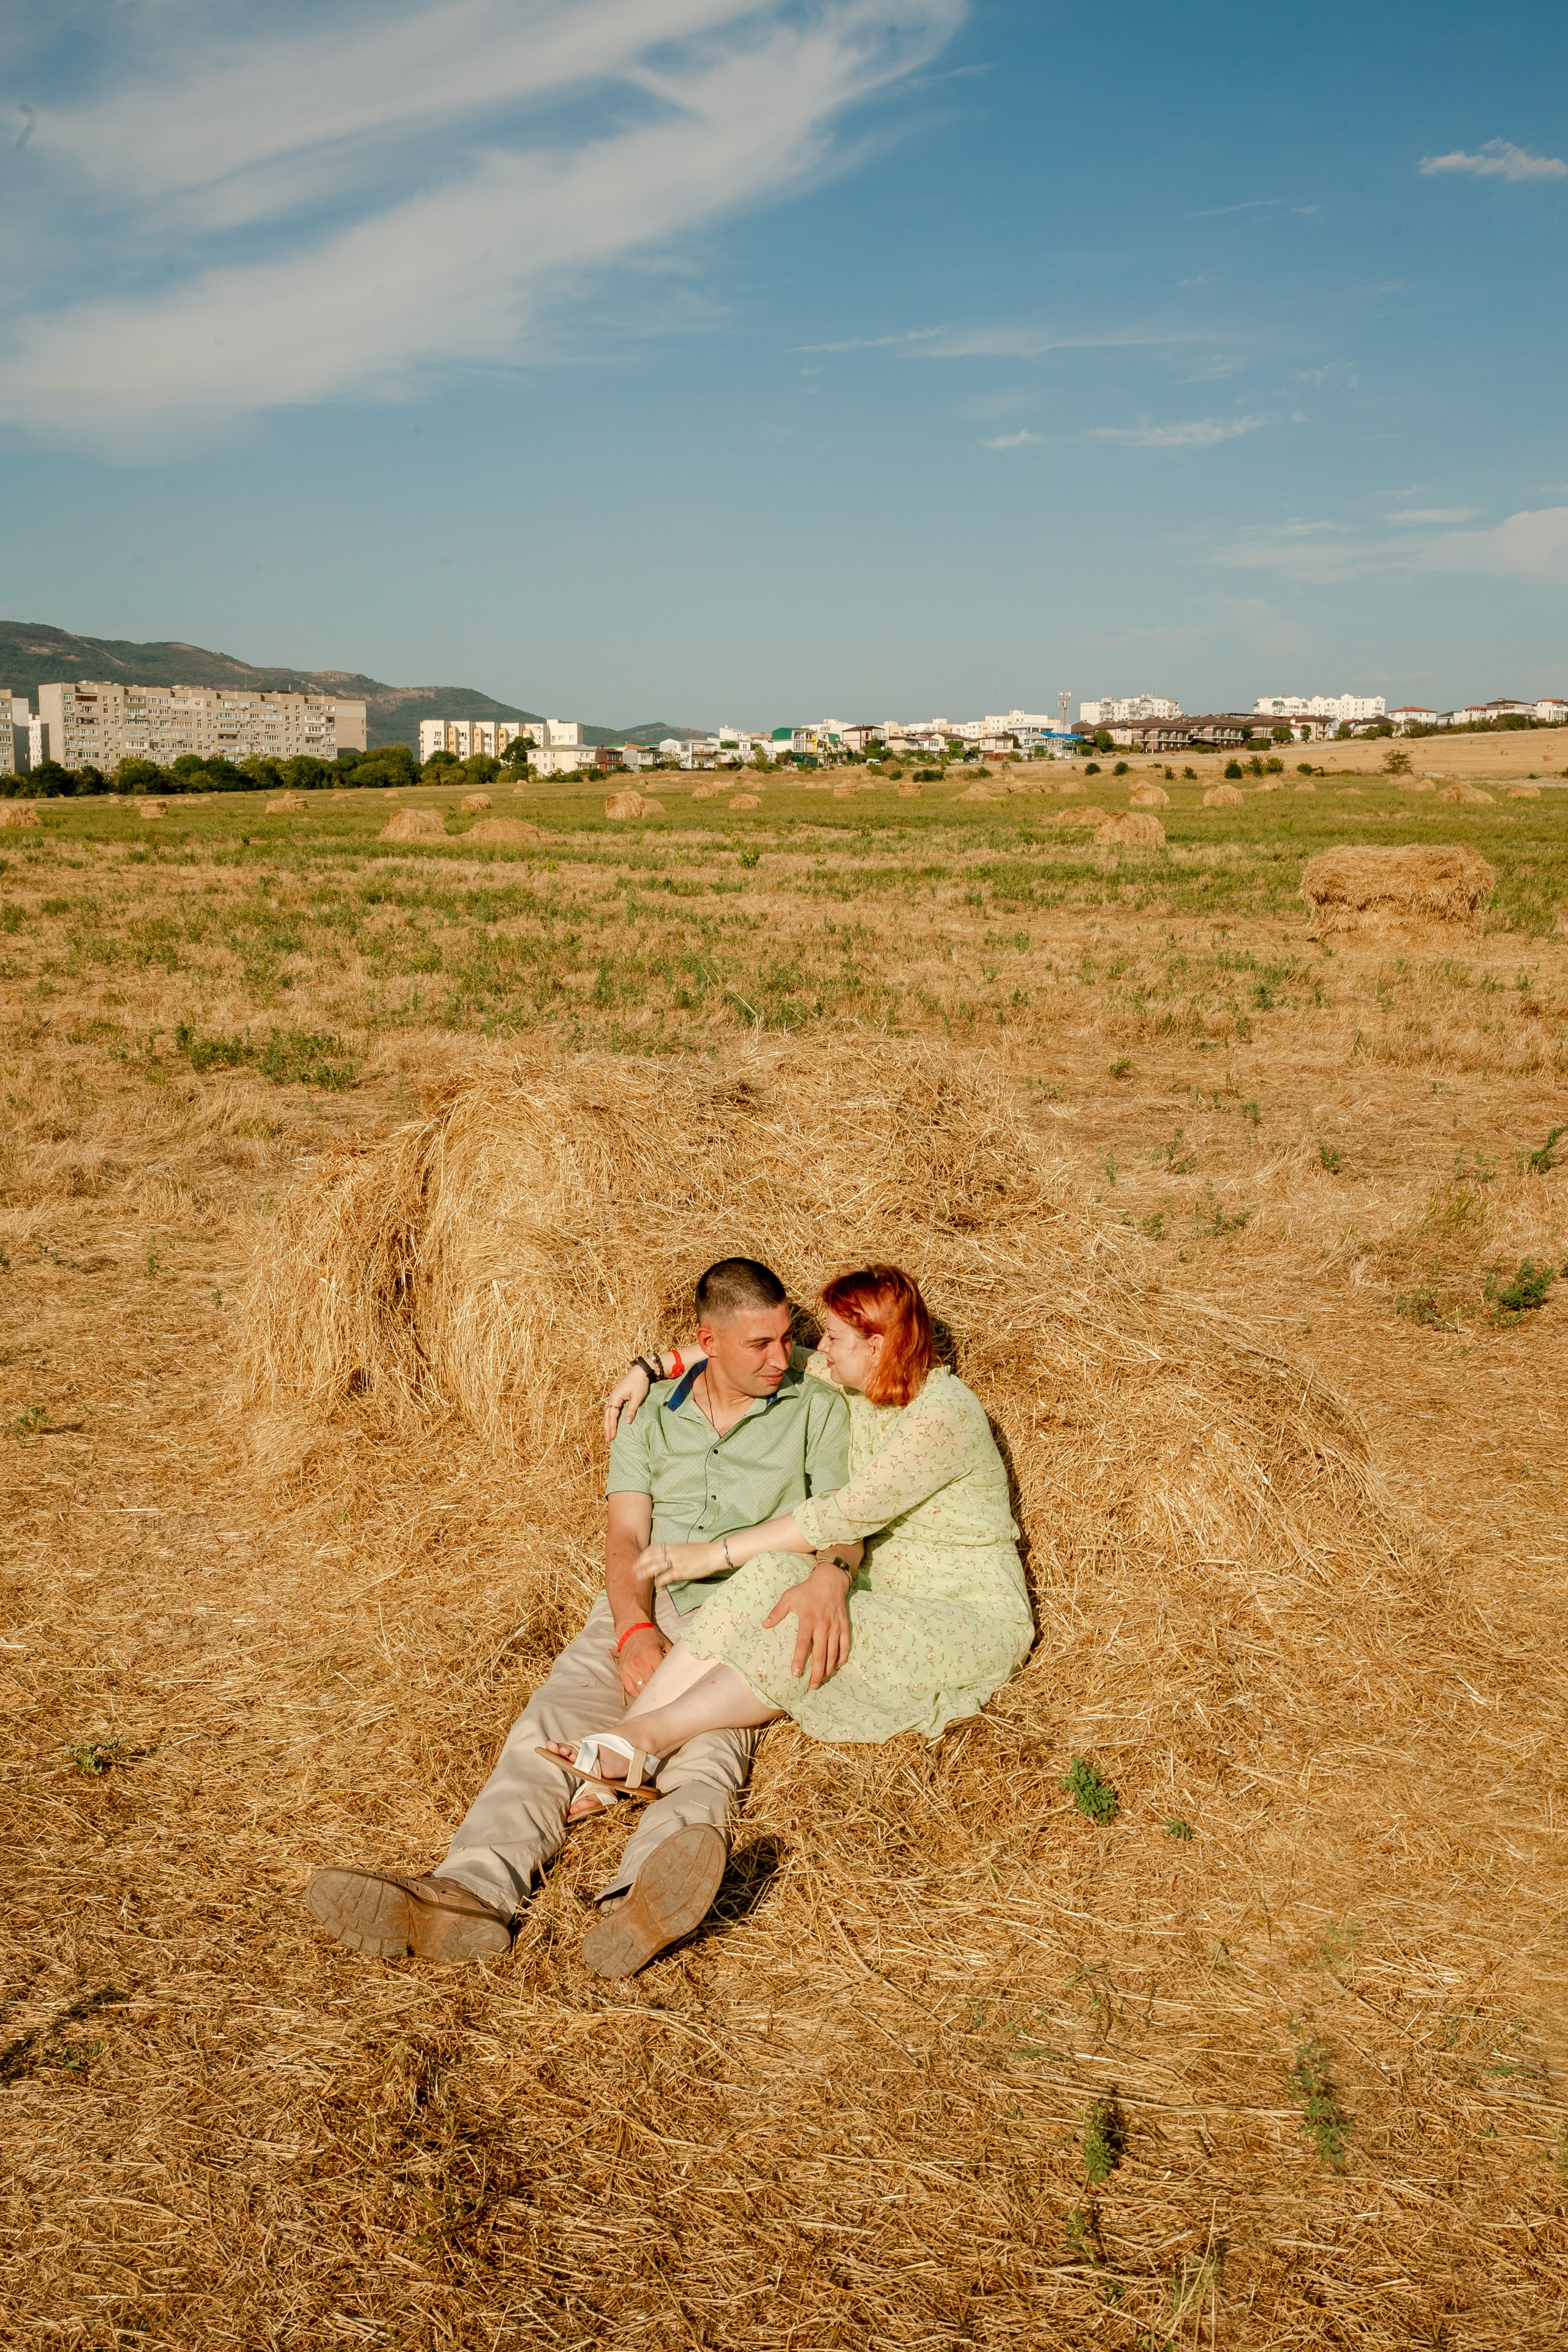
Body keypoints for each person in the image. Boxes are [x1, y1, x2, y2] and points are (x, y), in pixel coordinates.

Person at [305, 1257, 851, 1974]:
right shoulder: (649, 1414)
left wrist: (831, 1580)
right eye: (761, 1345)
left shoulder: (815, 1400)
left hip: (745, 1616)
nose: (781, 1356)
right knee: (549, 1726)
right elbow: (624, 1537)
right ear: (707, 1341)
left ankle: (646, 1897)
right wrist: (633, 1631)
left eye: (786, 1338)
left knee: (707, 1759)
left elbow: (845, 1517)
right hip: (645, 1606)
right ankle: (468, 1889)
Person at [542, 1265, 1033, 1806]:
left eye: (833, 1338)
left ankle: (645, 1739)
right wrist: (650, 1367)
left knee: (797, 1622)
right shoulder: (860, 1380)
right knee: (770, 1574)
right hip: (889, 1592)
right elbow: (734, 1351)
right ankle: (623, 1747)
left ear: (875, 1346)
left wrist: (712, 1555)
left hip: (960, 1615)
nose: (815, 1349)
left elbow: (841, 1515)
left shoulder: (941, 1416)